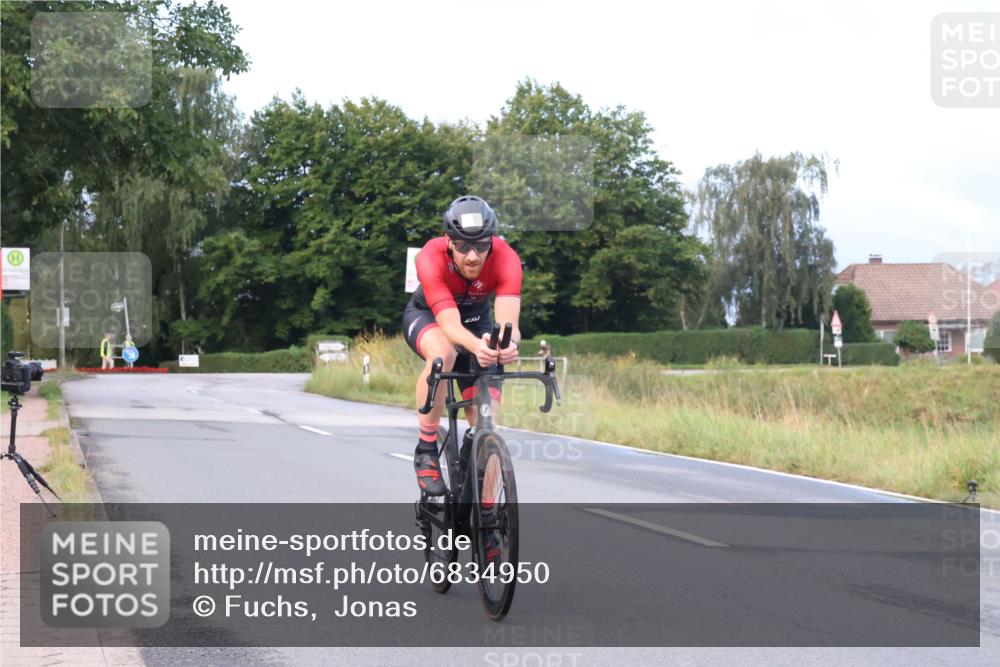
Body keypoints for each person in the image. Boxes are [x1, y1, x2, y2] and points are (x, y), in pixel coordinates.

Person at [402, 195, 522, 496]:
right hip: (429, 316)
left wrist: (508, 345)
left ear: (491, 241)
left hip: (477, 320)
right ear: (448, 241)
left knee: (488, 427)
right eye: (463, 246)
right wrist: (478, 346)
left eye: (481, 245)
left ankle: (489, 518)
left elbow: (510, 326)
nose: (472, 256)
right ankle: (426, 448)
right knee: (444, 353)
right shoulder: (429, 257)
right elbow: (451, 327)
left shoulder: (507, 258)